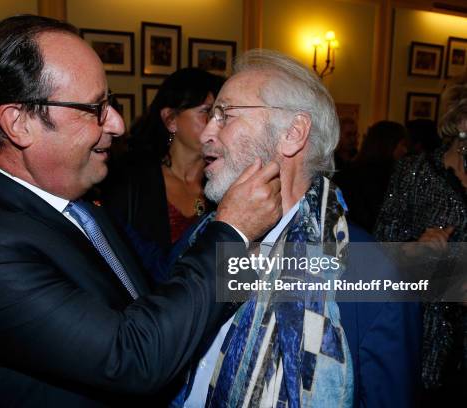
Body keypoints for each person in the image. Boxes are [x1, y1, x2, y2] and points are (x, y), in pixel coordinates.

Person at [0, 15, 282, 407]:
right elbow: (133, 358)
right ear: (19, 122)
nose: (118, 123)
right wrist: (231, 232)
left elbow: (155, 289)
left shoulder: (75, 203)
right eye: (95, 108)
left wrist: (264, 257)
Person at [179, 49, 420, 407]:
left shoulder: (373, 275)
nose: (205, 135)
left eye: (225, 115)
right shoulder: (200, 239)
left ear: (293, 134)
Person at [375, 70, 467, 406]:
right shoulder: (414, 173)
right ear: (460, 119)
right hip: (423, 338)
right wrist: (416, 247)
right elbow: (378, 255)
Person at [102, 68, 224, 281]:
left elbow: (233, 278)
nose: (216, 124)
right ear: (171, 120)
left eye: (222, 115)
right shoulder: (129, 179)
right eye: (206, 112)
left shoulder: (226, 181)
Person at [334, 120, 408, 233]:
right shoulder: (375, 176)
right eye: (402, 144)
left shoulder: (358, 168)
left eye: (355, 134)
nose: (405, 150)